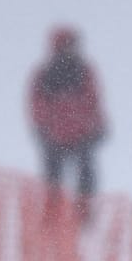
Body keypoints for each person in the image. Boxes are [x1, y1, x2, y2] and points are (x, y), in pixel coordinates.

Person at [28, 26, 106, 209]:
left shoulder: (54, 72)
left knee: (76, 179)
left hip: (72, 134)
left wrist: (98, 124)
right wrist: (42, 125)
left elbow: (92, 99)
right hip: (69, 134)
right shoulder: (52, 73)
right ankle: (61, 214)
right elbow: (38, 102)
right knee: (58, 181)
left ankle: (76, 212)